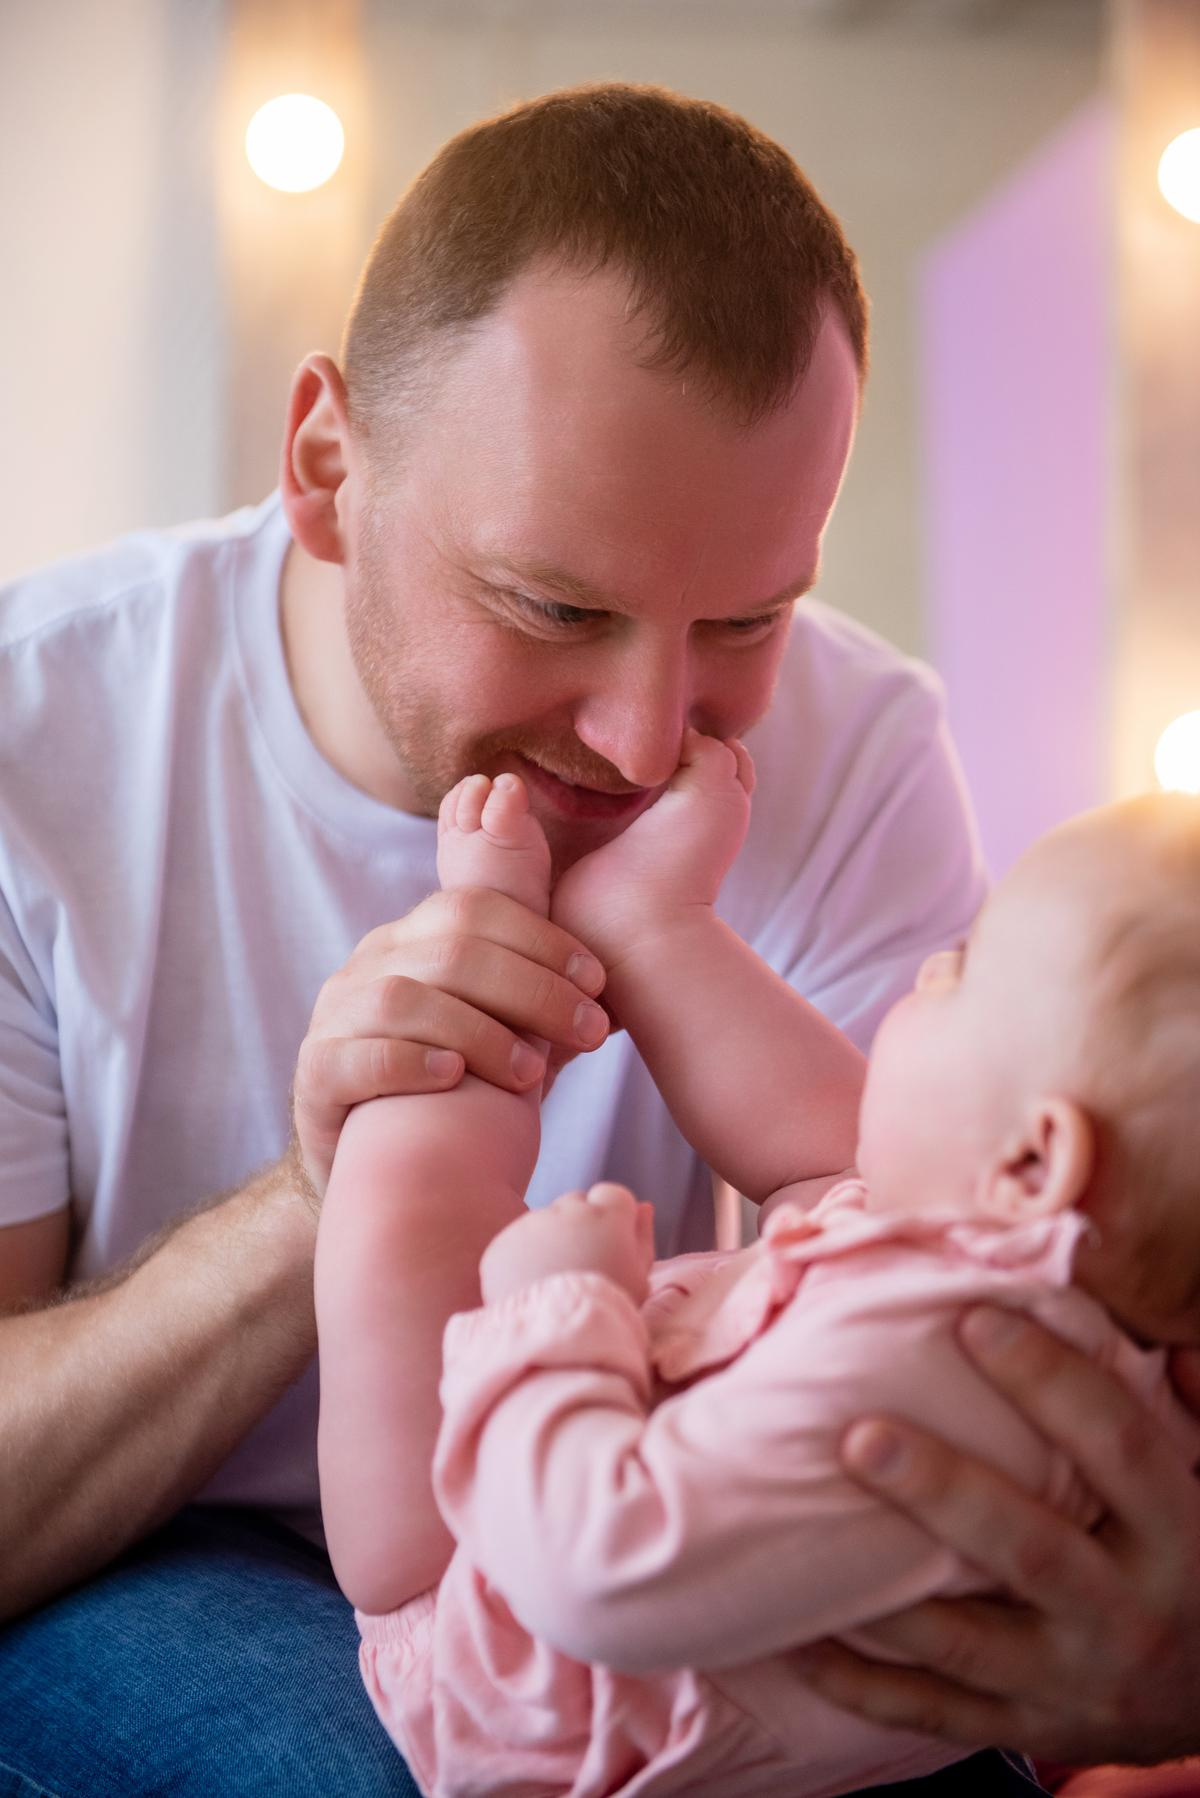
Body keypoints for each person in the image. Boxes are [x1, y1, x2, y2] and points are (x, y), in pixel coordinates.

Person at [0, 82, 1195, 1798]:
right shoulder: (40, 736)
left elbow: (927, 1240)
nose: (647, 740)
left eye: (745, 620)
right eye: (554, 607)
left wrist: (1149, 1646)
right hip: (164, 1549)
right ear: (328, 467)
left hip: (652, 1511)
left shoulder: (859, 747)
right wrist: (317, 1189)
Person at [315, 747, 1200, 1797]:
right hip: (669, 1486)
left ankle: (483, 988)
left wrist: (558, 1306)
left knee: (408, 1207)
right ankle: (650, 927)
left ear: (1033, 1160)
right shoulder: (1031, 1287)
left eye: (963, 967)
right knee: (843, 1159)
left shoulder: (929, 1368)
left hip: (507, 1626)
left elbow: (600, 1565)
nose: (927, 971)